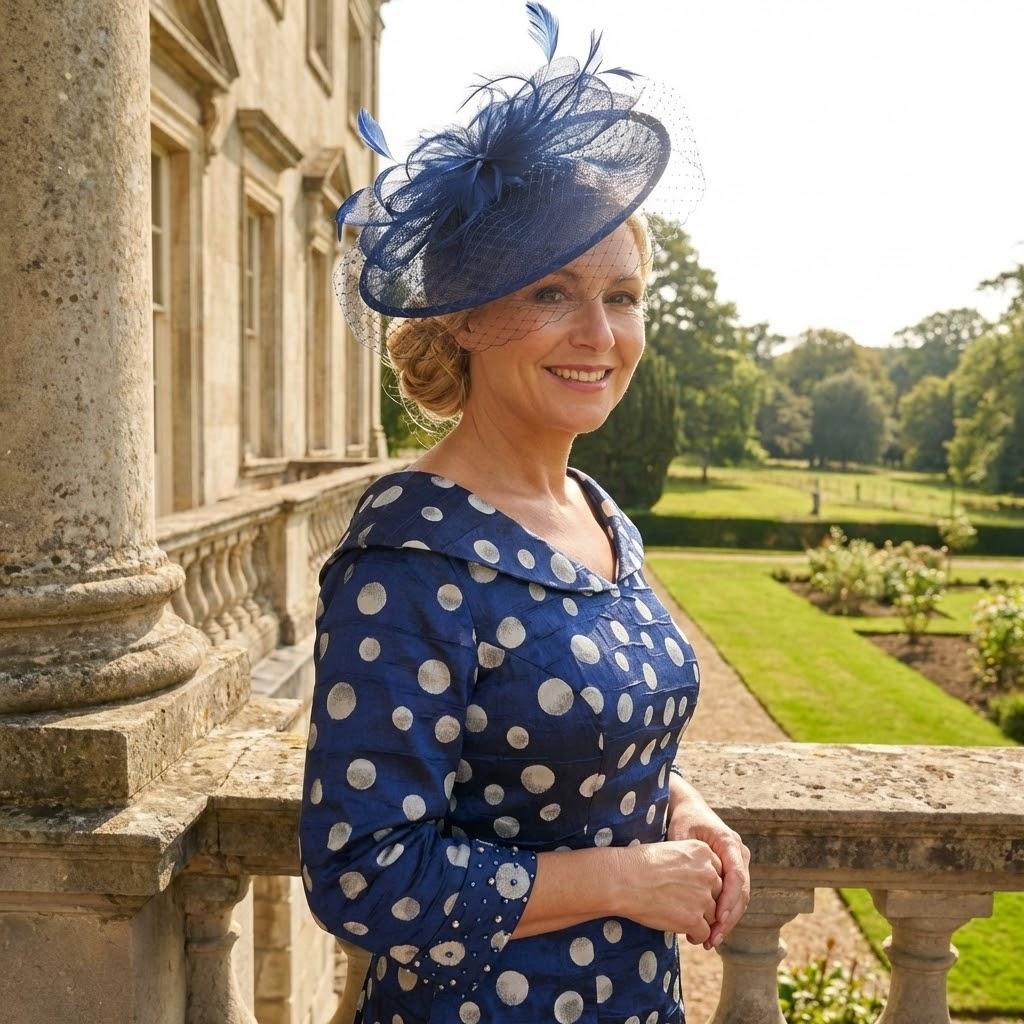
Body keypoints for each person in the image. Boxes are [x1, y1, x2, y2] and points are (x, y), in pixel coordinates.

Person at [298, 6, 750, 1022]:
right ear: (464, 314)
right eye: (551, 292)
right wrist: (626, 879)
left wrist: (683, 810)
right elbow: (362, 874)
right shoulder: (409, 556)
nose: (599, 333)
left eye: (622, 296)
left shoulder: (599, 515)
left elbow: (587, 754)